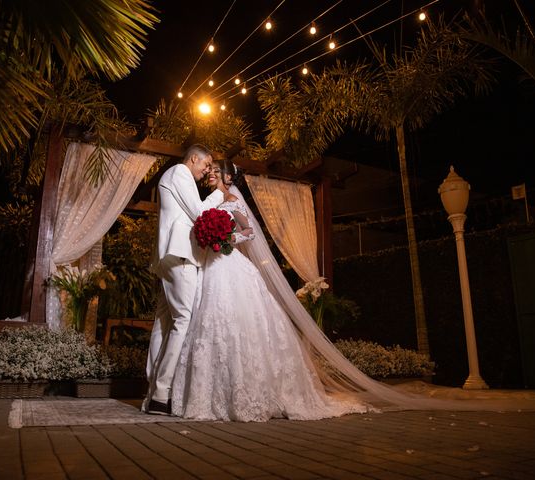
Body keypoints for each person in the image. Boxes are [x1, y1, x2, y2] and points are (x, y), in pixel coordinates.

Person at [171, 160, 373, 421]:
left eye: (214, 171)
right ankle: (205, 395)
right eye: (208, 172)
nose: (209, 174)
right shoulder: (207, 202)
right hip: (209, 268)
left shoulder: (233, 200)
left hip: (230, 265)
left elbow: (249, 231)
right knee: (208, 324)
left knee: (239, 323)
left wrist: (228, 238)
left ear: (228, 177)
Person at [144, 144, 225, 415]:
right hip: (179, 256)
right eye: (206, 164)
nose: (206, 171)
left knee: (163, 323)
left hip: (170, 256)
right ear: (194, 159)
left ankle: (151, 392)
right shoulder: (180, 172)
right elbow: (199, 213)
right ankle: (161, 394)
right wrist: (219, 195)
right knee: (182, 321)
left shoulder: (177, 175)